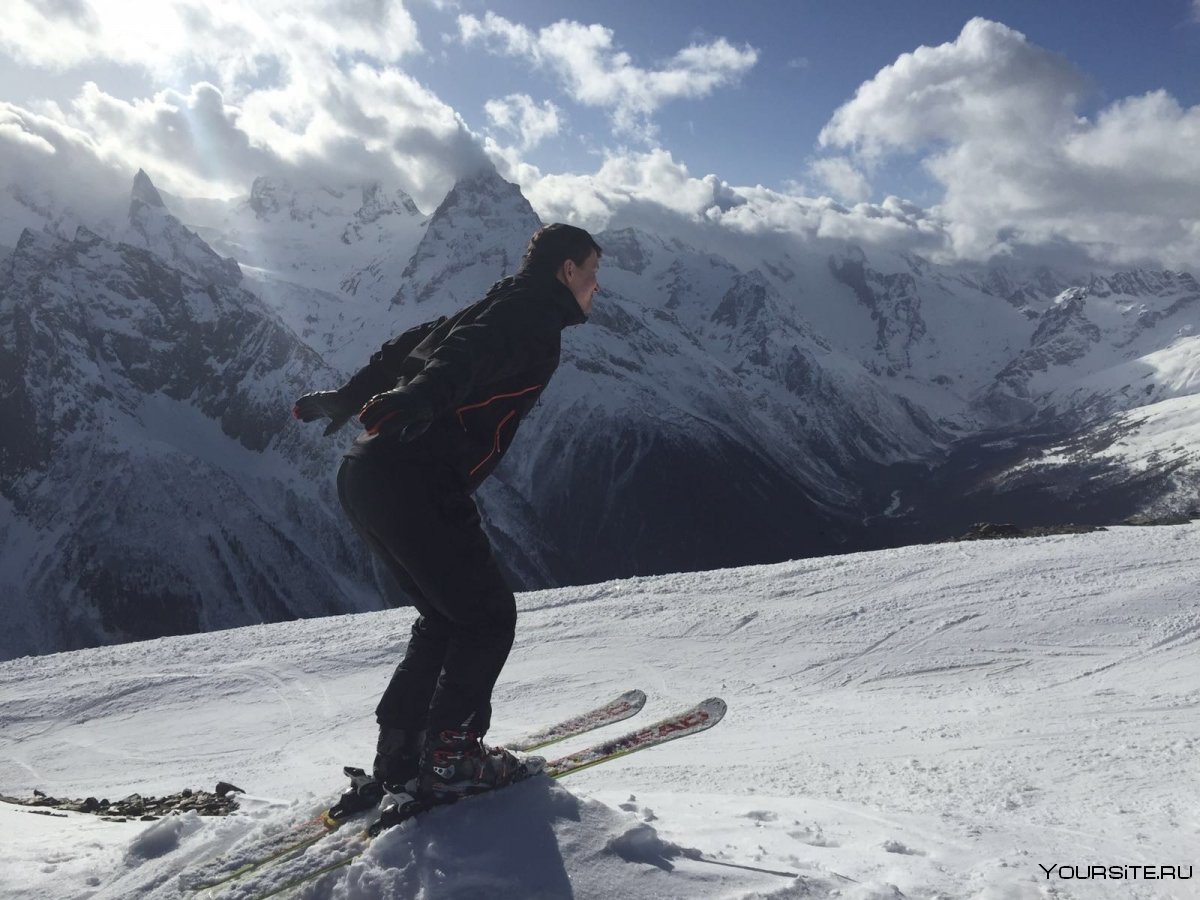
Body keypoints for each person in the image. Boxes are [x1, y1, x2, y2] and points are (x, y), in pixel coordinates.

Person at [292, 223, 602, 817]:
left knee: (445, 617)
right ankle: (452, 760)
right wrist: (422, 398)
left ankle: (401, 755)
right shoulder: (530, 316)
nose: (596, 287)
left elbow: (414, 344)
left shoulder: (498, 301)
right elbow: (467, 355)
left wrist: (349, 396)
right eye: (591, 272)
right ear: (566, 270)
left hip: (368, 472)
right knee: (486, 618)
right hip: (415, 472)